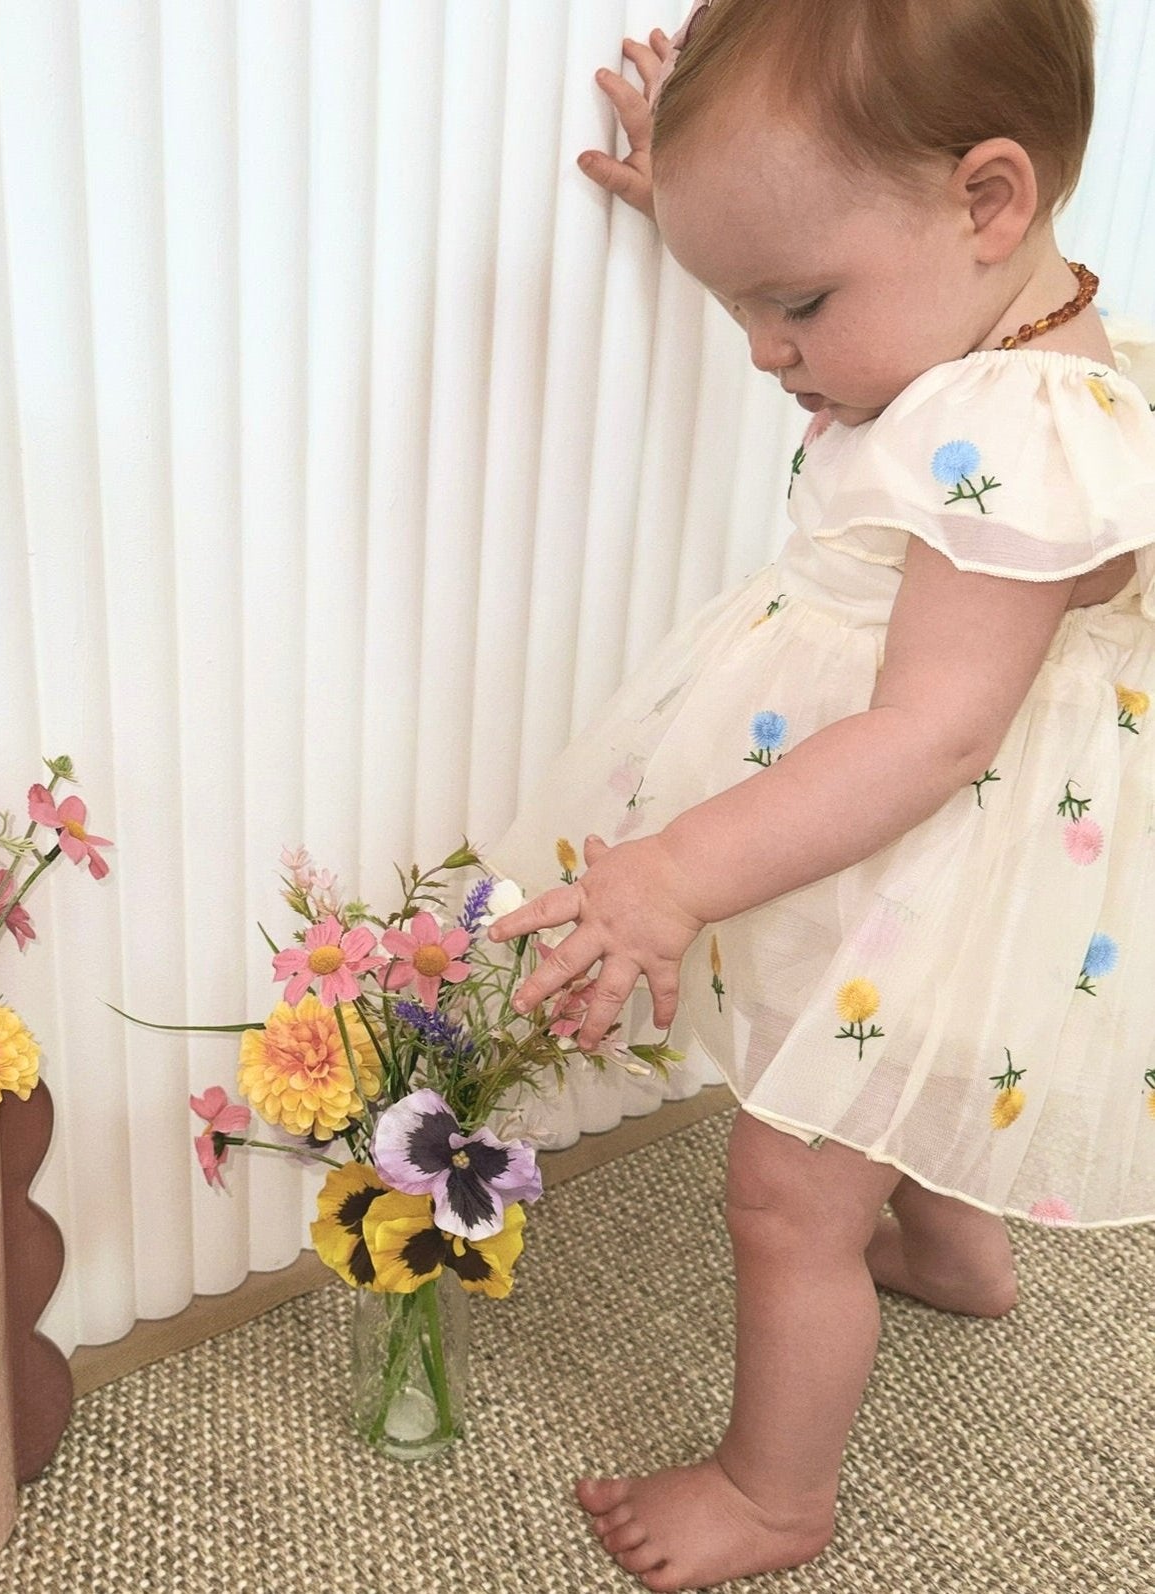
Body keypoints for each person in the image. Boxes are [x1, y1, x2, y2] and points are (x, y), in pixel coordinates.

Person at [484, 2, 1155, 1588]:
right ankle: (950, 1247)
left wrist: (673, 875)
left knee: (786, 1189)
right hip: (967, 858)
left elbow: (928, 733)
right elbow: (854, 252)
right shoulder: (1022, 325)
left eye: (791, 303)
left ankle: (775, 1494)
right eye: (742, 303)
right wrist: (730, 207)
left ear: (986, 199)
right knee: (915, 1049)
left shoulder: (1020, 429)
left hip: (929, 821)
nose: (765, 352)